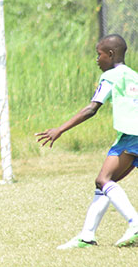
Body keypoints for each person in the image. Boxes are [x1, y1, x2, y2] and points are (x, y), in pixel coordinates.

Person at [37, 34, 138, 249]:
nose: (97, 60)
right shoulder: (133, 75)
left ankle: (135, 224)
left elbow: (92, 108)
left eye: (99, 55)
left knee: (104, 180)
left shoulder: (111, 76)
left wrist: (60, 129)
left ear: (110, 55)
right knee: (103, 182)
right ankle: (87, 236)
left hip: (131, 135)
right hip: (131, 135)